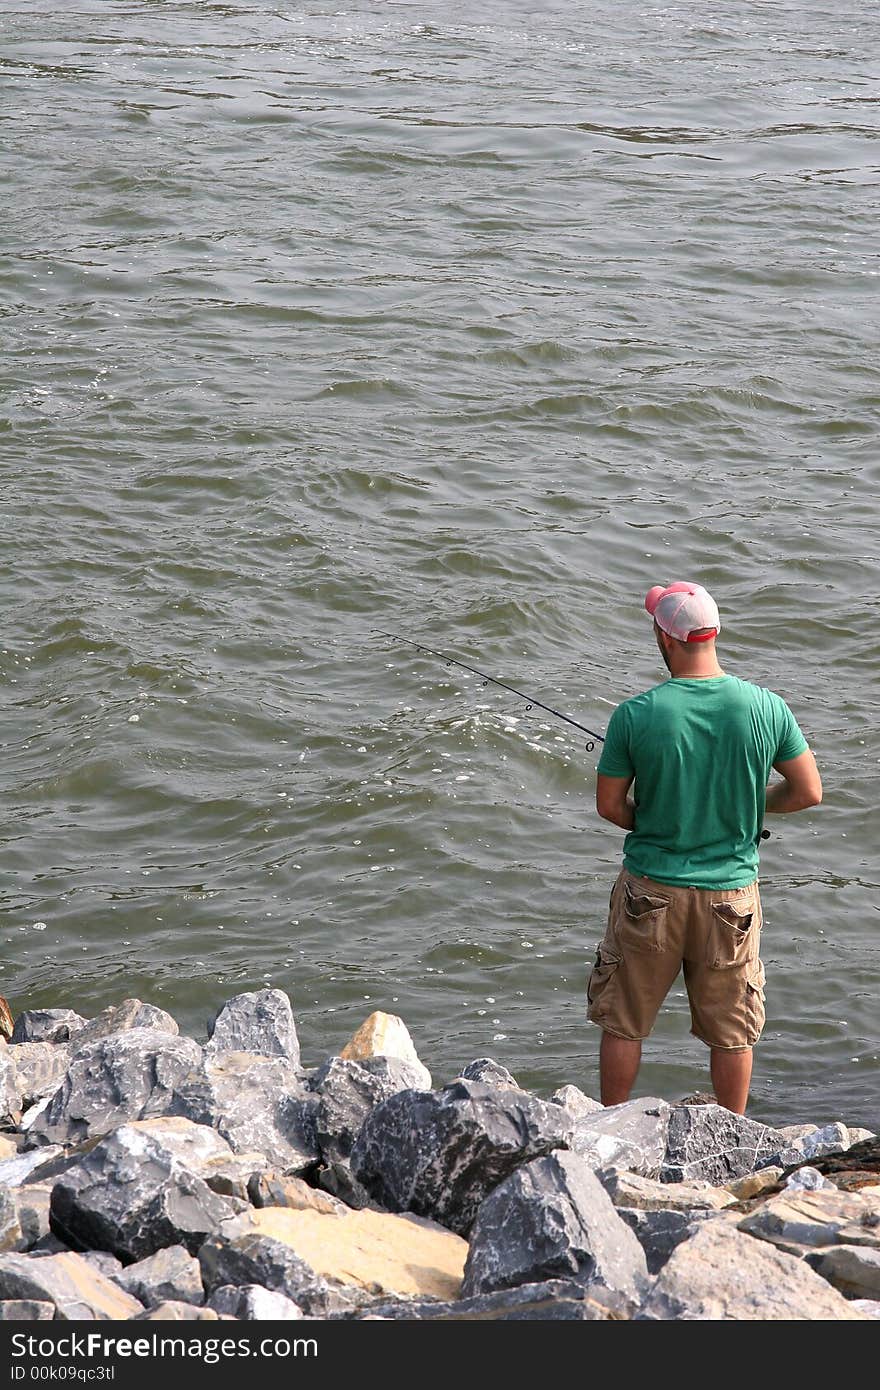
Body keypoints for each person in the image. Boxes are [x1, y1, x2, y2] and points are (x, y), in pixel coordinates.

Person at [588, 581, 822, 1114]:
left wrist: (652, 816)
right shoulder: (767, 707)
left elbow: (609, 806)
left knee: (624, 1022)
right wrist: (746, 806)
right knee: (733, 1032)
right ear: (712, 634)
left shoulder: (636, 714)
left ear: (665, 637)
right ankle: (734, 1139)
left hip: (650, 891)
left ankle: (607, 1130)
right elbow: (809, 791)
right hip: (731, 899)